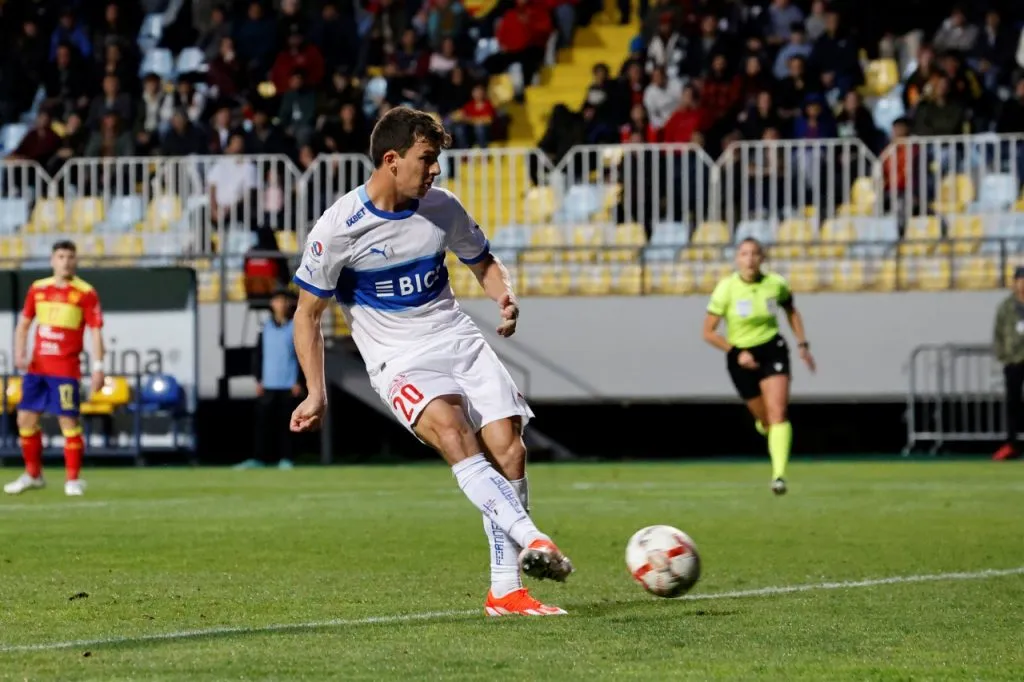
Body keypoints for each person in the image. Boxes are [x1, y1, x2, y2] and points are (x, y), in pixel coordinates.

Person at [290, 106, 573, 617]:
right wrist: (316, 391)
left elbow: (482, 261)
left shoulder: (441, 208)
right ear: (392, 160)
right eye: (428, 158)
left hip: (458, 340)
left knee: (509, 451)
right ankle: (533, 538)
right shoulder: (338, 229)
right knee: (453, 432)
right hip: (398, 359)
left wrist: (503, 298)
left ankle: (505, 591)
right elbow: (306, 314)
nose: (436, 169)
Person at [702, 238, 816, 495]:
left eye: (755, 254)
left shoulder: (775, 284)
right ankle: (771, 434)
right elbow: (708, 332)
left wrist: (802, 344)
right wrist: (736, 352)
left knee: (778, 413)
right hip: (739, 355)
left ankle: (778, 476)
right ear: (737, 259)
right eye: (744, 254)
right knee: (765, 421)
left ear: (762, 258)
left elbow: (791, 310)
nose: (750, 259)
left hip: (771, 349)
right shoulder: (726, 288)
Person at [4, 241, 105, 497]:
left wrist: (98, 367)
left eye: (71, 257)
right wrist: (20, 352)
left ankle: (73, 479)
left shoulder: (85, 292)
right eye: (61, 256)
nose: (66, 262)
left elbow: (95, 332)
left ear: (76, 261)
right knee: (24, 420)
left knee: (68, 422)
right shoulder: (38, 289)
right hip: (37, 369)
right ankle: (33, 474)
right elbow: (24, 324)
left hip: (65, 370)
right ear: (52, 260)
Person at [239, 286, 303, 469]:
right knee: (263, 425)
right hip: (268, 383)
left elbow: (301, 355)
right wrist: (258, 379)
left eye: (284, 300)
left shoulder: (295, 326)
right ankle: (259, 459)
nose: (280, 304)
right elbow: (258, 354)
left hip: (288, 383)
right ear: (271, 304)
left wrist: (299, 380)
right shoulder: (264, 327)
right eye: (277, 300)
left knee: (287, 425)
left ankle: (287, 458)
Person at [991, 267, 1024, 461]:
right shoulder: (1006, 307)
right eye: (1019, 280)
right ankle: (1012, 444)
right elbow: (998, 334)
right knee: (1013, 403)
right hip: (1014, 360)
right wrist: (1003, 355)